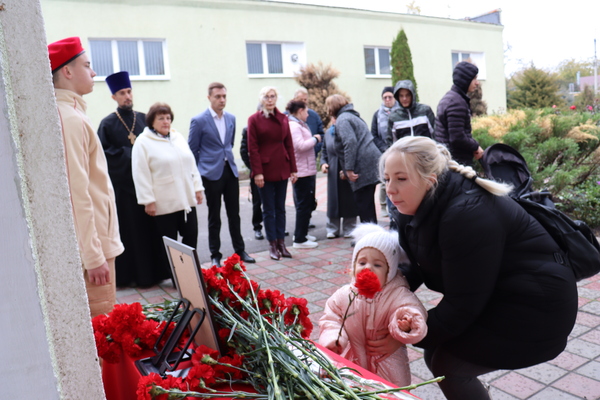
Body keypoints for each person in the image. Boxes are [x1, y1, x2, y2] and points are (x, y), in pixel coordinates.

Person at [381, 136, 578, 399]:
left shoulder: (467, 214)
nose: (390, 190)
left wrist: (400, 336)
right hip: (499, 297)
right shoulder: (413, 206)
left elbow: (462, 305)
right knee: (436, 353)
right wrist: (374, 294)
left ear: (430, 180)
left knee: (448, 366)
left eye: (401, 179)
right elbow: (415, 267)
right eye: (387, 179)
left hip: (538, 310)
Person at [48, 37, 124, 317]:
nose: (93, 72)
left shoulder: (71, 113)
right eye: (87, 65)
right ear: (67, 71)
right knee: (101, 327)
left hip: (96, 243)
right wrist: (93, 256)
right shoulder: (69, 118)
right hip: (93, 250)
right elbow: (76, 192)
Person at [318, 224, 428, 387]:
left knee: (388, 393)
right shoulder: (344, 295)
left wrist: (406, 322)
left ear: (390, 271)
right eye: (362, 262)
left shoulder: (397, 295)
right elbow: (331, 318)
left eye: (377, 265)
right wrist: (334, 338)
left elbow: (413, 309)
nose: (368, 267)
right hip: (351, 360)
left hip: (387, 363)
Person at [97, 71, 164, 288]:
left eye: (129, 92)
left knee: (151, 232)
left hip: (148, 188)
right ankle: (133, 277)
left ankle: (156, 274)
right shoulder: (107, 124)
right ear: (114, 97)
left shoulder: (145, 119)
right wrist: (133, 155)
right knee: (131, 232)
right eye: (122, 93)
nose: (127, 96)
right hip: (125, 191)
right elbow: (105, 156)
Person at [132, 103, 204, 278]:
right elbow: (140, 173)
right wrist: (148, 200)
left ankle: (191, 273)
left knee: (191, 235)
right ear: (152, 121)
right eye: (161, 118)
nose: (166, 121)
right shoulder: (143, 142)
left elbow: (191, 164)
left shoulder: (177, 137)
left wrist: (198, 188)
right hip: (164, 203)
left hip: (186, 200)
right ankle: (177, 277)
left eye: (168, 118)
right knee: (170, 244)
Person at [188, 82, 255, 267]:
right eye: (217, 96)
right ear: (209, 97)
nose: (222, 100)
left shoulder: (231, 118)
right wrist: (197, 175)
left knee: (235, 214)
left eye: (224, 96)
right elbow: (192, 151)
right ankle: (215, 254)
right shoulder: (199, 120)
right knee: (214, 216)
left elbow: (228, 144)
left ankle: (240, 250)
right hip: (210, 173)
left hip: (230, 171)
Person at [247, 87, 298, 261]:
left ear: (276, 98)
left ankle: (282, 243)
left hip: (282, 166)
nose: (270, 100)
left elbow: (289, 143)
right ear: (261, 99)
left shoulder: (283, 118)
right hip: (265, 170)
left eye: (273, 96)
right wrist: (257, 173)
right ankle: (272, 245)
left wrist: (293, 169)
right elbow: (252, 148)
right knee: (268, 209)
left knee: (280, 208)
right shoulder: (254, 119)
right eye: (266, 97)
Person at [325, 94, 381, 224]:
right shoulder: (352, 116)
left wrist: (349, 169)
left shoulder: (343, 120)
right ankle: (372, 232)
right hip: (370, 162)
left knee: (364, 205)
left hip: (362, 166)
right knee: (367, 204)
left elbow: (350, 142)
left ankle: (370, 234)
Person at [434, 61, 484, 167]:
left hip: (447, 160)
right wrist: (475, 146)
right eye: (474, 79)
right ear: (465, 80)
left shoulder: (451, 98)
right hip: (456, 162)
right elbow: (457, 138)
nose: (477, 83)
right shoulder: (456, 103)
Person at [286, 100, 322, 249]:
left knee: (307, 203)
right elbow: (300, 146)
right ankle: (300, 239)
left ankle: (302, 234)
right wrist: (315, 139)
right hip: (302, 172)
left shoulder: (299, 124)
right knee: (303, 205)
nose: (308, 115)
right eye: (306, 111)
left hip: (306, 170)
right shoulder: (294, 126)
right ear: (300, 111)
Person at [320, 117, 358, 239]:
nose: (335, 120)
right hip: (332, 170)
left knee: (348, 199)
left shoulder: (348, 131)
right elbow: (324, 151)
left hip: (347, 168)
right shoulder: (328, 133)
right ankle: (332, 228)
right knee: (333, 200)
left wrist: (348, 168)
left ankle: (349, 228)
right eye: (333, 117)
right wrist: (323, 163)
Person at [292, 88, 324, 229]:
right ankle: (301, 230)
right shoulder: (291, 120)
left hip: (310, 161)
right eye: (301, 100)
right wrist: (313, 142)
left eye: (306, 100)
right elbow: (298, 144)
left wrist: (314, 148)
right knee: (301, 197)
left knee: (310, 195)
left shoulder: (312, 115)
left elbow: (321, 134)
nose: (304, 103)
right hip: (299, 165)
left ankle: (306, 222)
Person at [370, 86, 399, 217]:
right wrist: (384, 148)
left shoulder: (400, 112)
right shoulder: (377, 114)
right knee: (384, 181)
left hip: (399, 151)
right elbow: (374, 135)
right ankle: (383, 206)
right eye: (385, 97)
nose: (387, 100)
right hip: (384, 152)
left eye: (390, 97)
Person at [387, 79, 435, 145]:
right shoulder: (394, 117)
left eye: (407, 95)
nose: (404, 98)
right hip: (404, 151)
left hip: (425, 150)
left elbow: (435, 134)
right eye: (401, 96)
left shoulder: (425, 111)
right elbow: (391, 143)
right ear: (397, 97)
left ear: (413, 95)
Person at [240, 126, 264, 240]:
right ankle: (257, 227)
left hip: (271, 170)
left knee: (274, 201)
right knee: (257, 201)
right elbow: (244, 152)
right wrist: (254, 168)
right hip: (257, 171)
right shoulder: (248, 129)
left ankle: (276, 227)